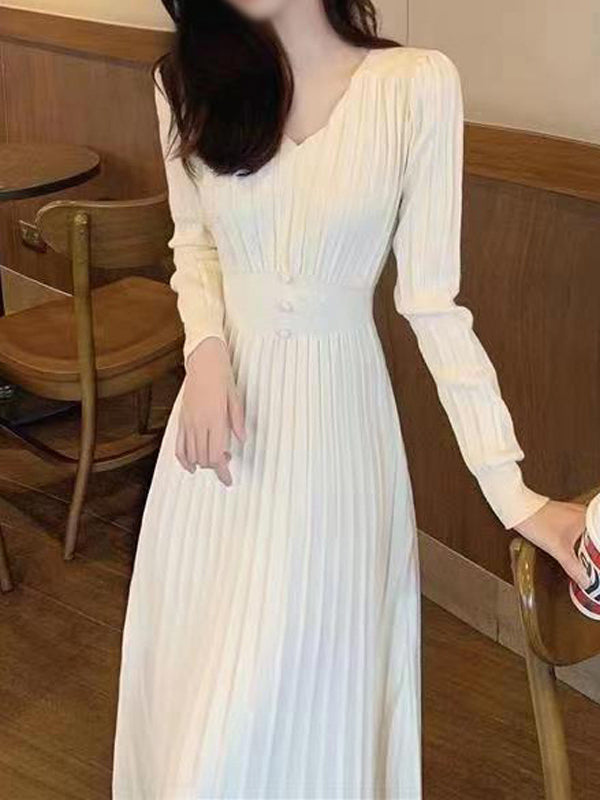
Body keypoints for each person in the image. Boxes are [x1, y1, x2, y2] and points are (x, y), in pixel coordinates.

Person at [112, 0, 588, 797]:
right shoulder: (186, 83)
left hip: (339, 443)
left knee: (310, 723)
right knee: (197, 737)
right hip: (221, 453)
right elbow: (192, 242)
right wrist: (205, 350)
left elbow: (433, 305)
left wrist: (515, 495)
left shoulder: (416, 85)